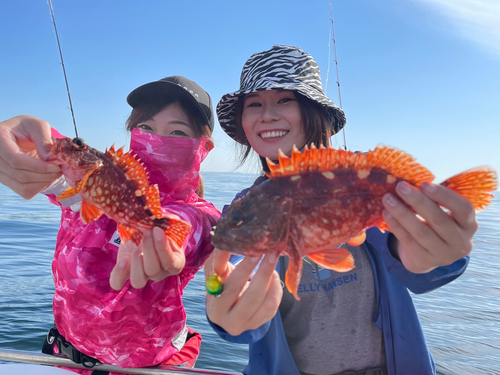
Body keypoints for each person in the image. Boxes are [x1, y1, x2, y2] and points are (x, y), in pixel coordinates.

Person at [205, 45, 477, 375]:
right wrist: (222, 299)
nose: (267, 114)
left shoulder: (359, 180)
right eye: (254, 104)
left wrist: (436, 252)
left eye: (284, 99)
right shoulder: (245, 206)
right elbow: (236, 277)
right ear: (244, 123)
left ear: (314, 111)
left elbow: (412, 261)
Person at [0, 76, 220, 372]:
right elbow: (61, 157)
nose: (157, 138)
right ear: (131, 132)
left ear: (203, 147)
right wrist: (21, 137)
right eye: (146, 127)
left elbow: (189, 226)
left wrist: (166, 236)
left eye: (178, 132)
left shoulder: (202, 215)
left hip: (147, 368)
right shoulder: (81, 189)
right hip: (65, 358)